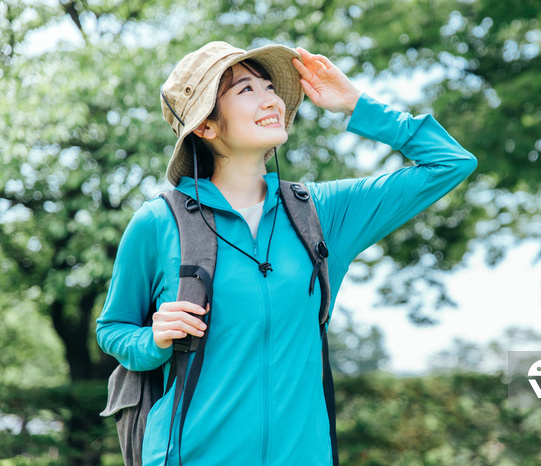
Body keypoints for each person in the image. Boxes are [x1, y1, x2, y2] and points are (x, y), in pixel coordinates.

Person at [96, 41, 477, 465]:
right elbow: (113, 328)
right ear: (206, 126)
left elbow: (451, 163)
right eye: (246, 90)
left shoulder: (322, 213)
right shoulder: (159, 223)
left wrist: (356, 104)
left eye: (270, 86)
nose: (271, 98)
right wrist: (153, 338)